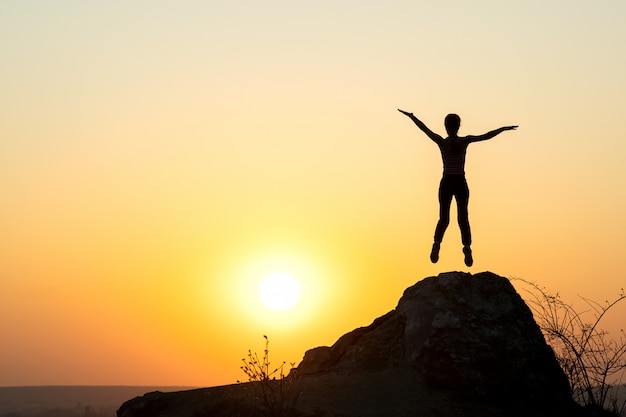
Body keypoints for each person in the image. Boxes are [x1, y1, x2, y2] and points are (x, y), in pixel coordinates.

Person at [398, 109, 517, 266]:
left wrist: (412, 117)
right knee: (463, 218)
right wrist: (502, 129)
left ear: (446, 126)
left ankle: (436, 244)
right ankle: (467, 248)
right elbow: (485, 136)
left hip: (447, 182)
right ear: (459, 126)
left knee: (444, 219)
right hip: (460, 182)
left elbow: (424, 129)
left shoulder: (442, 142)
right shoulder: (464, 141)